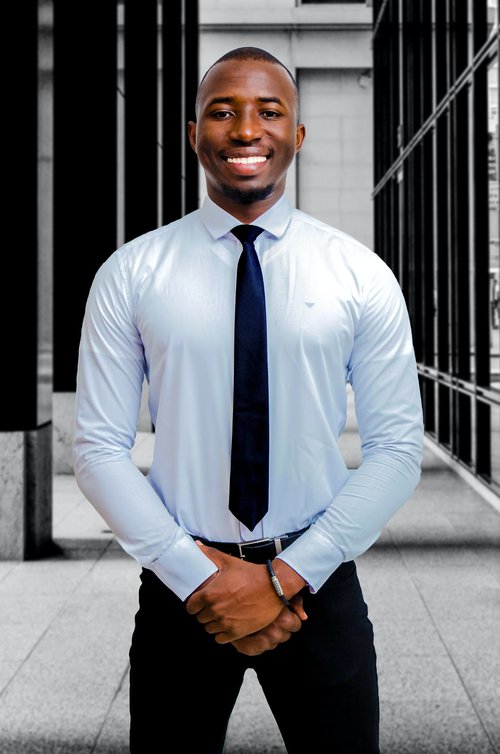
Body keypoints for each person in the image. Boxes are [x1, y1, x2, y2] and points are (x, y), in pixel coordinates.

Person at [73, 46, 424, 753]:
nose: (245, 131)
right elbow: (97, 448)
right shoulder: (132, 274)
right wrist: (199, 577)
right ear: (195, 131)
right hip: (183, 590)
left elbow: (396, 451)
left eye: (269, 112)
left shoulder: (359, 274)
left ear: (297, 135)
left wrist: (283, 578)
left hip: (317, 585)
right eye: (222, 111)